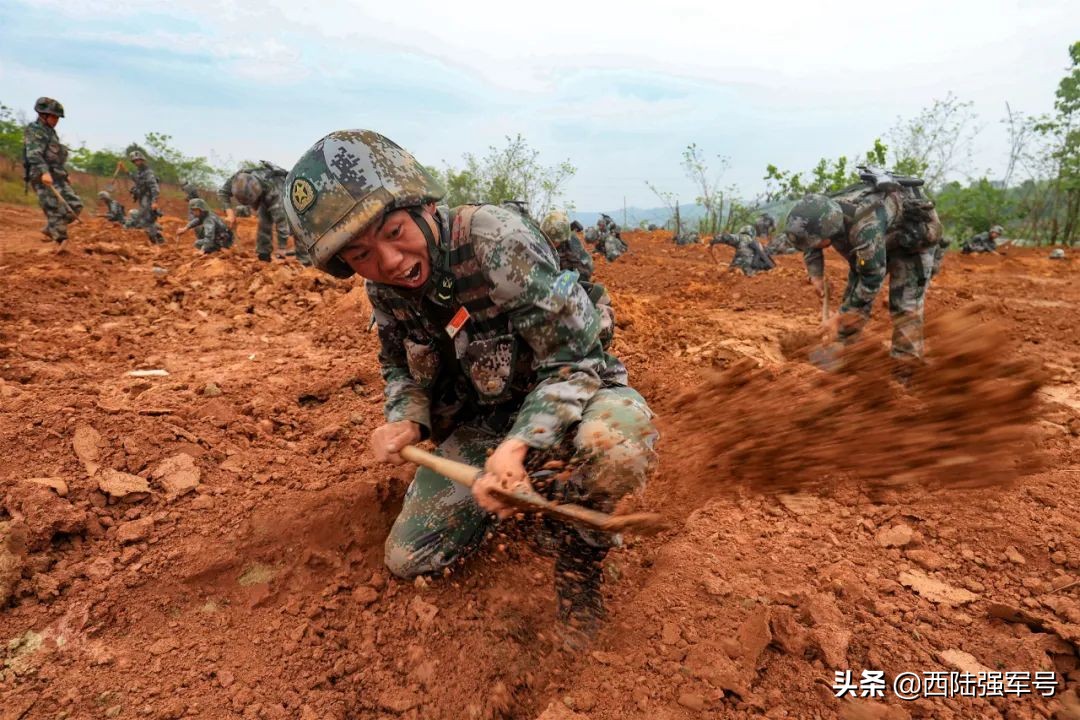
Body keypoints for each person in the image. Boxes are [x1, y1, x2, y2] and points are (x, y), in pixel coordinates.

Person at [284, 130, 658, 644]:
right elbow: (396, 363)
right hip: (487, 421)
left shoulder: (491, 239)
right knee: (410, 557)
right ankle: (530, 491)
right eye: (360, 255)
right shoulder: (385, 291)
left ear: (422, 207)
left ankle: (578, 562)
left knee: (613, 449)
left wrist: (520, 443)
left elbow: (575, 360)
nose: (388, 261)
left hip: (577, 396)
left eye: (394, 232)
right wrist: (406, 417)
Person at [776, 175, 943, 365]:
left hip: (910, 240)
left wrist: (839, 316)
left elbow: (871, 281)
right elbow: (811, 244)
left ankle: (906, 370)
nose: (814, 246)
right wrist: (816, 276)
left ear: (830, 232)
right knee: (853, 300)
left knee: (904, 306)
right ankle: (842, 356)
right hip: (877, 240)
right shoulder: (824, 213)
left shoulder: (864, 228)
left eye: (817, 242)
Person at [219, 161, 311, 265]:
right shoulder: (240, 179)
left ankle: (305, 262)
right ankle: (263, 256)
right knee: (264, 222)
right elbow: (223, 192)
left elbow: (282, 224)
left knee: (296, 226)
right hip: (265, 192)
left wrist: (281, 250)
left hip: (288, 194)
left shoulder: (275, 192)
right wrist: (230, 213)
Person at [23, 97, 83, 248]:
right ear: (43, 115)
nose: (56, 120)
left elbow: (55, 157)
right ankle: (60, 242)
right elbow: (34, 154)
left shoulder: (51, 132)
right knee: (54, 208)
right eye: (54, 117)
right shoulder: (34, 130)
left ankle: (51, 228)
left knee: (76, 205)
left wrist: (65, 174)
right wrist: (44, 172)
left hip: (57, 175)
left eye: (57, 117)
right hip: (42, 175)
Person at [116, 151, 164, 244]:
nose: (137, 162)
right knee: (145, 220)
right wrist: (125, 170)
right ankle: (157, 237)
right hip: (142, 199)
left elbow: (154, 187)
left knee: (143, 220)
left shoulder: (148, 172)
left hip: (148, 199)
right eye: (135, 161)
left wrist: (154, 201)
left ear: (143, 160)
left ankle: (157, 239)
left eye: (139, 160)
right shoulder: (139, 172)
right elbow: (135, 179)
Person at [541, 210, 594, 282]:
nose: (550, 244)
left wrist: (566, 281)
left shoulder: (572, 243)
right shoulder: (536, 237)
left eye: (554, 241)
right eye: (547, 239)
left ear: (563, 239)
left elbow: (586, 270)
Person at [709, 226, 776, 276]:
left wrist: (713, 240)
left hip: (739, 267)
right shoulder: (758, 244)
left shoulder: (742, 237)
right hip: (752, 271)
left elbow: (727, 237)